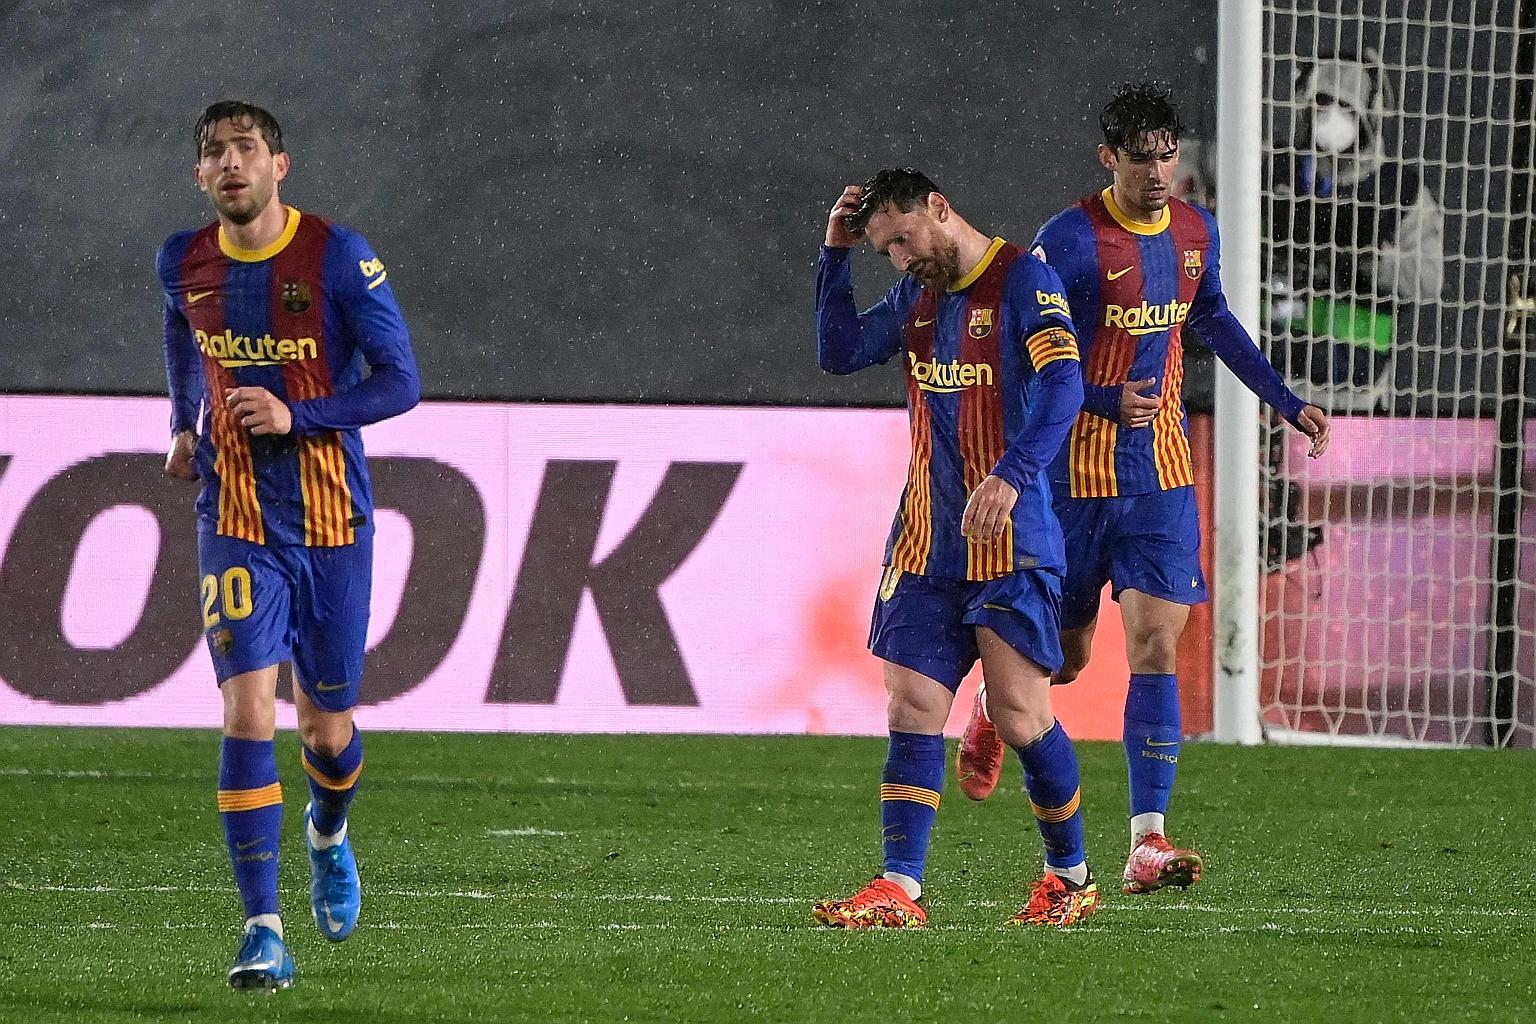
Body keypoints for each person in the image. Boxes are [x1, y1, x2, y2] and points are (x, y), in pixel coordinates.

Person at [955, 84, 1331, 896]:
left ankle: (1146, 843)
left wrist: (1286, 401)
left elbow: (1216, 319)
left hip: (1157, 476)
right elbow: (1022, 356)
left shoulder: (1196, 232)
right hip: (1067, 481)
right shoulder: (1069, 241)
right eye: (1141, 156)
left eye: (1167, 153)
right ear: (1109, 158)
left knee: (1157, 642)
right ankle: (994, 701)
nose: (1159, 171)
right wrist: (1094, 397)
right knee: (1067, 660)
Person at [158, 101, 421, 990]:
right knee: (246, 712)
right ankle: (262, 929)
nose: (230, 164)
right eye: (214, 154)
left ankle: (329, 833)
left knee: (327, 728)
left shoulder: (338, 257)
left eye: (246, 150)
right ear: (200, 176)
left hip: (330, 523)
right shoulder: (182, 261)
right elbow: (179, 332)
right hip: (231, 520)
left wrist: (296, 414)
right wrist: (184, 426)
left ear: (281, 164)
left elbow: (401, 383)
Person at [811, 168, 1098, 929]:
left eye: (903, 240)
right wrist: (835, 254)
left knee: (1017, 711)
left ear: (939, 208)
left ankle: (1069, 876)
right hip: (927, 541)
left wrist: (1009, 475)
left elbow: (1065, 386)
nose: (900, 260)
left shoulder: (1022, 281)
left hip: (1010, 538)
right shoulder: (918, 294)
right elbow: (839, 353)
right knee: (911, 706)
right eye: (886, 251)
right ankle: (900, 889)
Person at [1267, 49, 1445, 413]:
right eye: (1322, 102)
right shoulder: (1275, 175)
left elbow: (1430, 279)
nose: (1331, 116)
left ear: (1369, 112)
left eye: (1345, 106)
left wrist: (1369, 262)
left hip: (1359, 397)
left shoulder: (1399, 190)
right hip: (1274, 387)